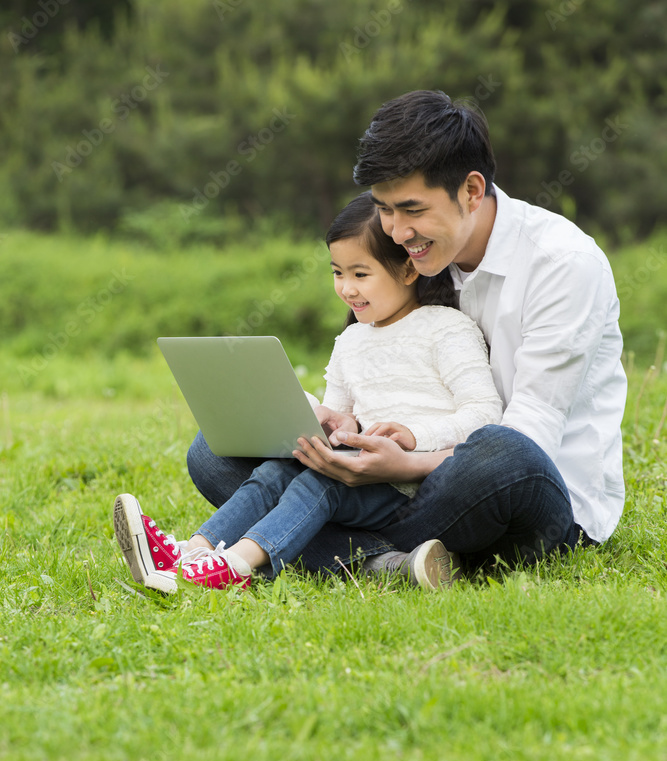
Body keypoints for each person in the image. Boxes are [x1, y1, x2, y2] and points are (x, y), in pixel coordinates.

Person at [188, 90, 627, 577]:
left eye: (412, 210)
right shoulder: (418, 258)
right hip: (398, 492)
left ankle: (346, 550)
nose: (396, 233)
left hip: (521, 494)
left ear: (472, 191)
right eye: (384, 209)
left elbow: (532, 438)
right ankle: (397, 563)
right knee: (214, 454)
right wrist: (339, 425)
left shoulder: (563, 265)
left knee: (499, 450)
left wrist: (405, 465)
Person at [114, 191, 502, 593]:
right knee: (279, 470)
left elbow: (485, 414)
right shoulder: (351, 340)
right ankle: (192, 553)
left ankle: (234, 568)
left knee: (319, 484)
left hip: (413, 484)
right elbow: (341, 415)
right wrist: (331, 421)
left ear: (407, 270)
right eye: (338, 273)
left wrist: (414, 438)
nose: (347, 289)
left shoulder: (447, 328)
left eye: (361, 274)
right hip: (360, 472)